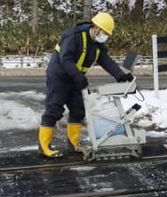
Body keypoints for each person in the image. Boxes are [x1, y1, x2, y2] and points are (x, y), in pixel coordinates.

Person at [38, 12, 133, 158]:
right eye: (104, 32)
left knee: (78, 110)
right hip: (59, 75)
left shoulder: (97, 44)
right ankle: (44, 147)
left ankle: (73, 143)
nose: (105, 36)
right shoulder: (74, 36)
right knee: (54, 109)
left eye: (108, 34)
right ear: (96, 28)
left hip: (76, 77)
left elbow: (105, 60)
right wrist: (78, 76)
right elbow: (66, 59)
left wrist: (120, 75)